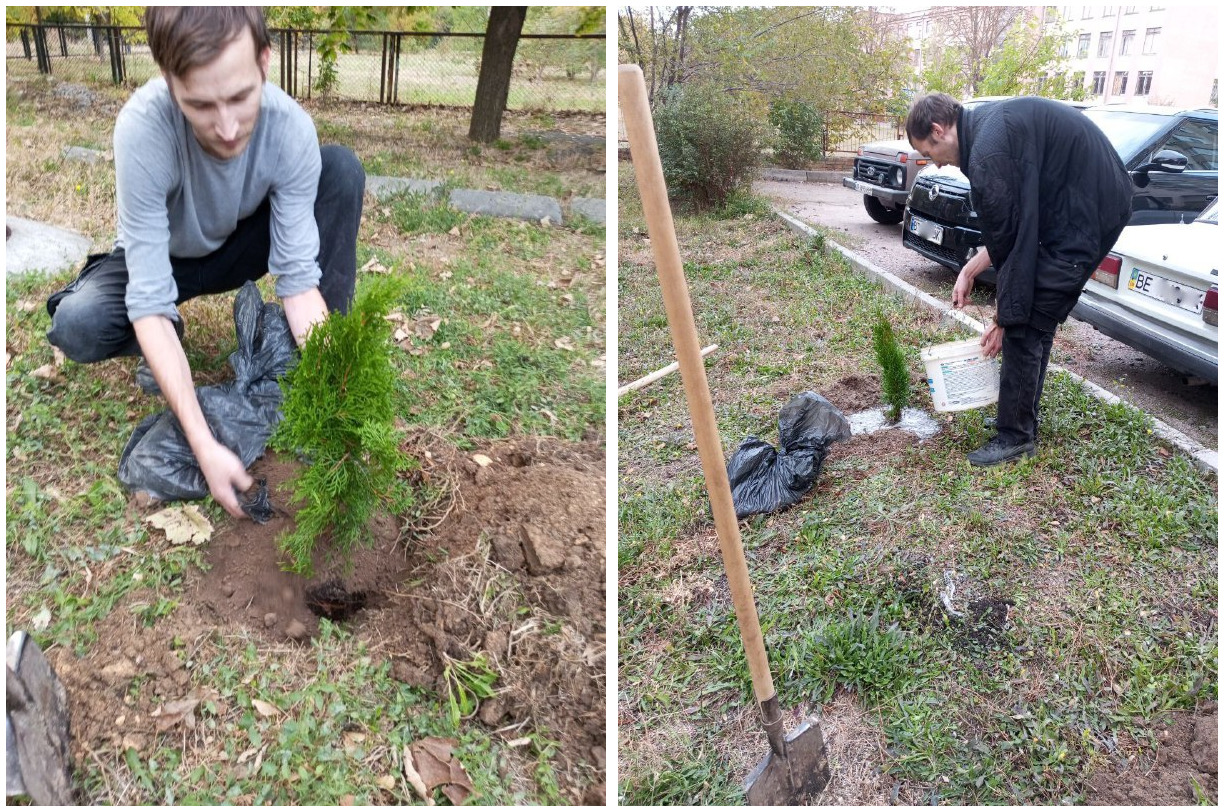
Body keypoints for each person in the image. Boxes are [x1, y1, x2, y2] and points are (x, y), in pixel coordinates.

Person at [46, 7, 365, 515]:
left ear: (264, 61)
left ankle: (312, 363)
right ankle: (162, 346)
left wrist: (342, 389)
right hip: (160, 259)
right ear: (169, 82)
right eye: (200, 104)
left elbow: (299, 283)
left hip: (239, 247)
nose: (228, 126)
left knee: (341, 169)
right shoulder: (143, 129)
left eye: (240, 97)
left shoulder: (288, 130)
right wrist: (202, 443)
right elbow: (149, 300)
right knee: (78, 325)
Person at [905, 93, 1132, 467]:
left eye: (930, 153)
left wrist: (1002, 320)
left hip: (1085, 211)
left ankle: (1015, 436)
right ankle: (1022, 422)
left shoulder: (988, 153)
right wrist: (969, 269)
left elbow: (1017, 244)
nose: (937, 165)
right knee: (1033, 315)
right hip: (1083, 201)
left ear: (938, 130)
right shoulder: (987, 132)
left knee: (1026, 321)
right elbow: (1008, 232)